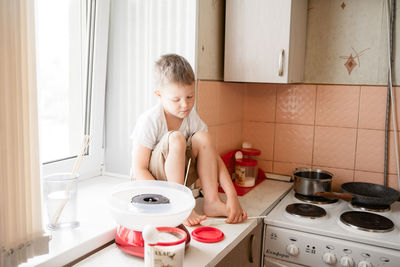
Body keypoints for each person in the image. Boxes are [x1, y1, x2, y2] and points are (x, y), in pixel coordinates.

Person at [130, 54, 247, 226]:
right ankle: (180, 205)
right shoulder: (150, 120)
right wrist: (171, 202)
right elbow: (139, 169)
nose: (185, 105)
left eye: (190, 97)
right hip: (149, 185)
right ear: (159, 95)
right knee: (176, 139)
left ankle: (212, 203)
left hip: (177, 182)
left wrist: (232, 195)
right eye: (176, 99)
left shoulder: (191, 117)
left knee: (203, 137)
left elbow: (213, 157)